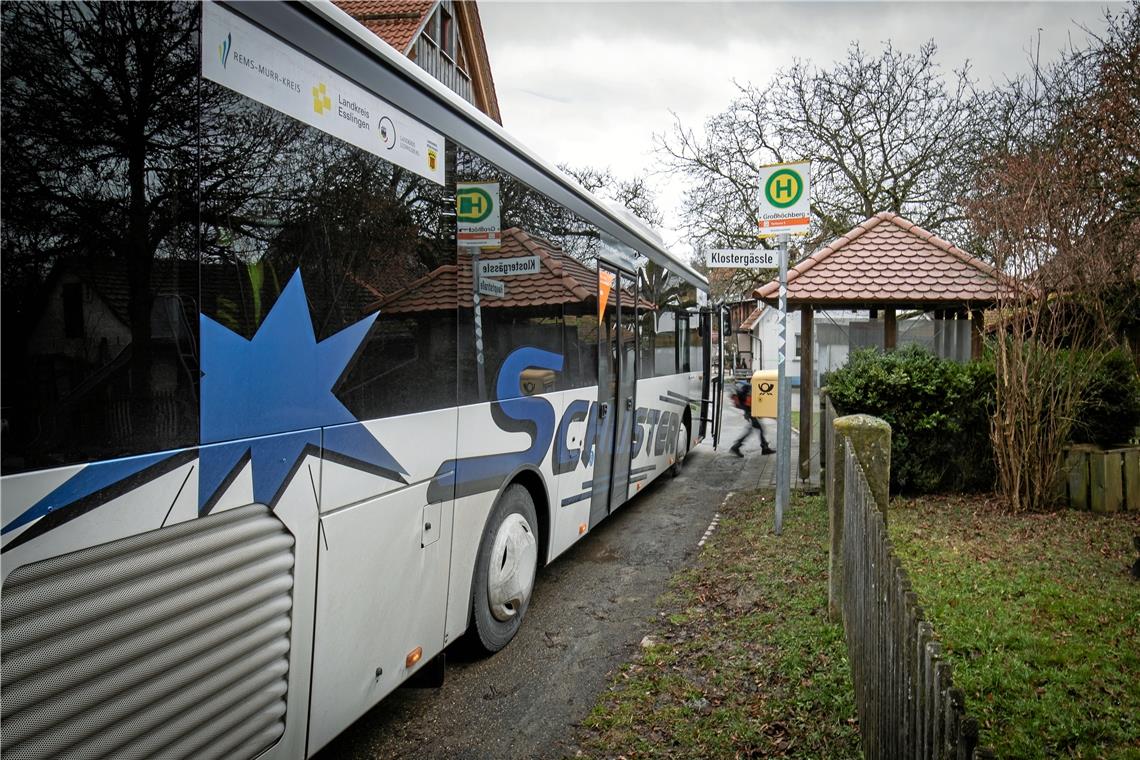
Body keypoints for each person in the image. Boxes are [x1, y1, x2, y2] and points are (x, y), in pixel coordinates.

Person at [730, 379, 774, 457]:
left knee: (755, 429)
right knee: (758, 429)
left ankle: (764, 447)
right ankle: (736, 446)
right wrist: (749, 413)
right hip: (750, 412)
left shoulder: (750, 388)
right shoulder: (751, 389)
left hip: (749, 412)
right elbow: (749, 403)